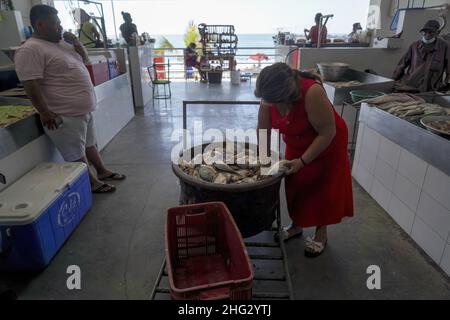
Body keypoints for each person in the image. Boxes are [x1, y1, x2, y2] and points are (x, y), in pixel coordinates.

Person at [14, 5, 126, 194]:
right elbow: (30, 84)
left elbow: (85, 61)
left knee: (89, 144)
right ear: (40, 24)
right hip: (64, 113)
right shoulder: (30, 49)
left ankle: (102, 171)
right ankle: (90, 182)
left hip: (83, 110)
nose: (60, 27)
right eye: (55, 23)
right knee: (75, 152)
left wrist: (76, 43)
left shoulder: (61, 43)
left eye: (59, 23)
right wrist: (45, 111)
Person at [255, 63, 354, 258]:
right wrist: (264, 159)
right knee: (296, 184)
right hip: (296, 139)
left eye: (272, 101)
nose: (268, 104)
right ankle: (296, 226)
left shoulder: (312, 93)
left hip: (327, 142)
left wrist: (302, 161)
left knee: (322, 187)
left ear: (285, 94)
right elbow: (263, 128)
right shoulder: (269, 95)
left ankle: (321, 233)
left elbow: (327, 133)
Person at [393, 20, 450, 93]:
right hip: (411, 86)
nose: (427, 35)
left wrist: (446, 84)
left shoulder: (445, 47)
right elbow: (401, 64)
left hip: (431, 89)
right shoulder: (414, 46)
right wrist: (393, 80)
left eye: (431, 32)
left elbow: (449, 68)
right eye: (425, 32)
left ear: (437, 33)